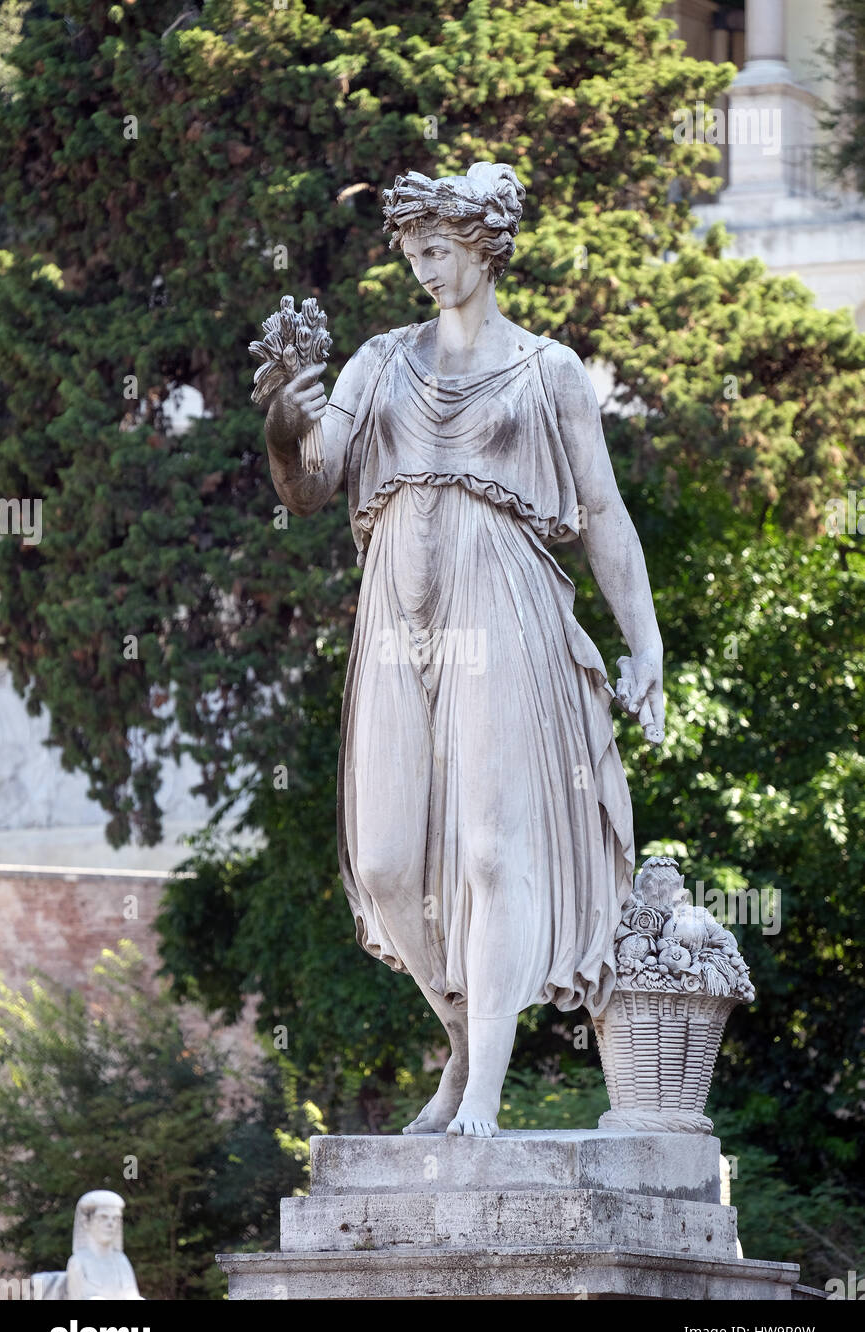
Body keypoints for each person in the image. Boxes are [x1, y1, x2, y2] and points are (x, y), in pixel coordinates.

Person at [264, 162, 663, 1136]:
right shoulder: (377, 360)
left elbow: (602, 510)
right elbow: (310, 484)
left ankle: (483, 1087)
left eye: (437, 250)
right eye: (411, 254)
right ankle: (458, 1037)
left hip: (506, 603)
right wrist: (281, 424)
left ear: (483, 242)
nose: (423, 269)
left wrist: (642, 641)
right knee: (392, 859)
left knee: (491, 850)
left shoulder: (548, 370)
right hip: (397, 609)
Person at [65, 1190, 144, 1300]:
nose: (111, 1224)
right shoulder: (78, 1262)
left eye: (116, 1218)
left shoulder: (121, 1261)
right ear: (86, 1223)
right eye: (103, 1217)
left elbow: (132, 1296)